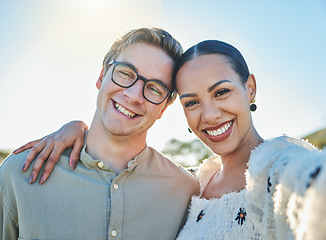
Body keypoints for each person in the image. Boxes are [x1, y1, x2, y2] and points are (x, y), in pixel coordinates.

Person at [12, 40, 326, 239]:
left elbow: (323, 193)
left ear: (249, 87)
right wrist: (78, 129)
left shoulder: (276, 165)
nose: (208, 115)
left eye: (221, 92)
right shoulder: (197, 184)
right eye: (192, 102)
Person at [0, 27, 200, 240]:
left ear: (164, 108)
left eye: (154, 88)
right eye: (125, 73)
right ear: (102, 75)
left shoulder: (187, 192)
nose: (133, 96)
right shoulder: (18, 173)